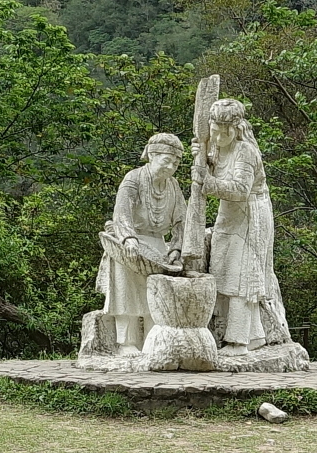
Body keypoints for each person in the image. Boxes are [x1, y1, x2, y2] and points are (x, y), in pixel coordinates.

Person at [191, 99, 291, 355]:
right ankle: (255, 335)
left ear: (235, 130)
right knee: (223, 268)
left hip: (250, 215)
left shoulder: (246, 151)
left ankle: (238, 341)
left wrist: (207, 181)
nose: (216, 137)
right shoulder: (219, 147)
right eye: (213, 131)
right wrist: (204, 159)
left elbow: (239, 189)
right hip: (229, 214)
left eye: (222, 133)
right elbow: (219, 169)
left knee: (241, 275)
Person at [96, 133, 186, 355]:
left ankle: (152, 342)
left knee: (154, 296)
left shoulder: (173, 185)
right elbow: (122, 211)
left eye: (175, 163)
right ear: (152, 155)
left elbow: (182, 220)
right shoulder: (134, 179)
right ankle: (126, 342)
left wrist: (176, 247)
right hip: (129, 245)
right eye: (167, 160)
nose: (171, 167)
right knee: (125, 295)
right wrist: (128, 237)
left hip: (158, 247)